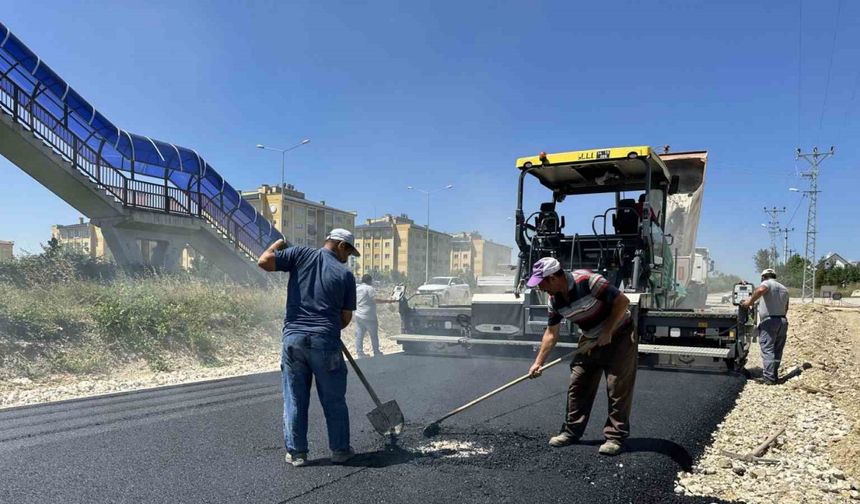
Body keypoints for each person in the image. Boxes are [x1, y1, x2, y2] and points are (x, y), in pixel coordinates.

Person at [257, 229, 360, 467]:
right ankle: (341, 450)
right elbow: (345, 319)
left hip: (293, 340)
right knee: (334, 399)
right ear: (342, 245)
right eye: (349, 252)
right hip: (325, 341)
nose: (349, 258)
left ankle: (297, 453)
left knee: (294, 397)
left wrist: (279, 243)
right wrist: (326, 328)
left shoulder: (300, 254)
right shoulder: (345, 275)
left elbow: (264, 261)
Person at [526, 257, 636, 456]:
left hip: (619, 334)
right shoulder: (555, 300)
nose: (540, 289)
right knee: (578, 383)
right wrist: (538, 363)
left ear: (552, 278)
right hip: (590, 338)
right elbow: (551, 333)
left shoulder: (588, 281)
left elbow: (623, 301)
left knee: (617, 386)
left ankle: (615, 437)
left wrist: (608, 330)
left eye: (541, 283)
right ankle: (571, 432)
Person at [741, 268, 789, 385]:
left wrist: (748, 303)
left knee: (768, 349)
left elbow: (762, 289)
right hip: (782, 321)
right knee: (777, 350)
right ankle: (774, 375)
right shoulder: (784, 288)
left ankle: (769, 378)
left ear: (763, 277)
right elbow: (786, 307)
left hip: (769, 321)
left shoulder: (766, 284)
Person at [354, 274, 396, 357]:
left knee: (359, 334)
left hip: (359, 315)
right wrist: (387, 301)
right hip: (369, 316)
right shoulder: (369, 288)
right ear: (370, 281)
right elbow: (375, 300)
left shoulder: (358, 288)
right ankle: (376, 352)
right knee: (373, 335)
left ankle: (360, 353)